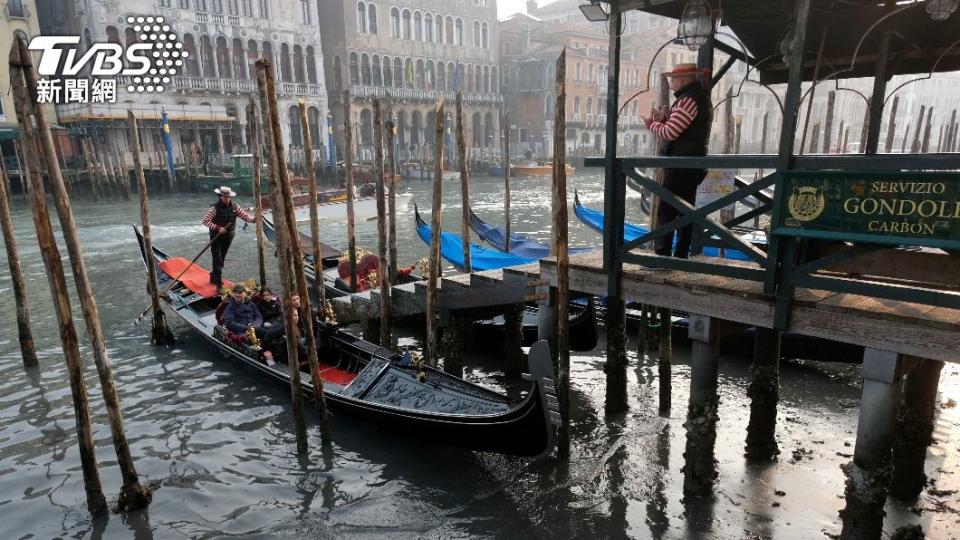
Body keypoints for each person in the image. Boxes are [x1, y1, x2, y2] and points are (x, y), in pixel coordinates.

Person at [643, 62, 713, 259]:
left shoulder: (687, 101)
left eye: (673, 79)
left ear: (682, 80)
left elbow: (671, 133)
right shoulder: (698, 99)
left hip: (682, 166)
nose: (671, 83)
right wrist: (665, 120)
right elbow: (683, 130)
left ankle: (663, 255)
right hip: (691, 164)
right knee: (685, 210)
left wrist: (653, 124)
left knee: (666, 211)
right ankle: (681, 254)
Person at [201, 186, 255, 288]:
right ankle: (218, 284)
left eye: (228, 197)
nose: (226, 198)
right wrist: (218, 228)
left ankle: (214, 276)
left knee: (222, 258)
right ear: (220, 196)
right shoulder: (214, 208)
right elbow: (205, 221)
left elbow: (246, 217)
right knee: (217, 258)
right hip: (216, 236)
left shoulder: (235, 207)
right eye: (224, 197)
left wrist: (255, 219)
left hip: (228, 236)